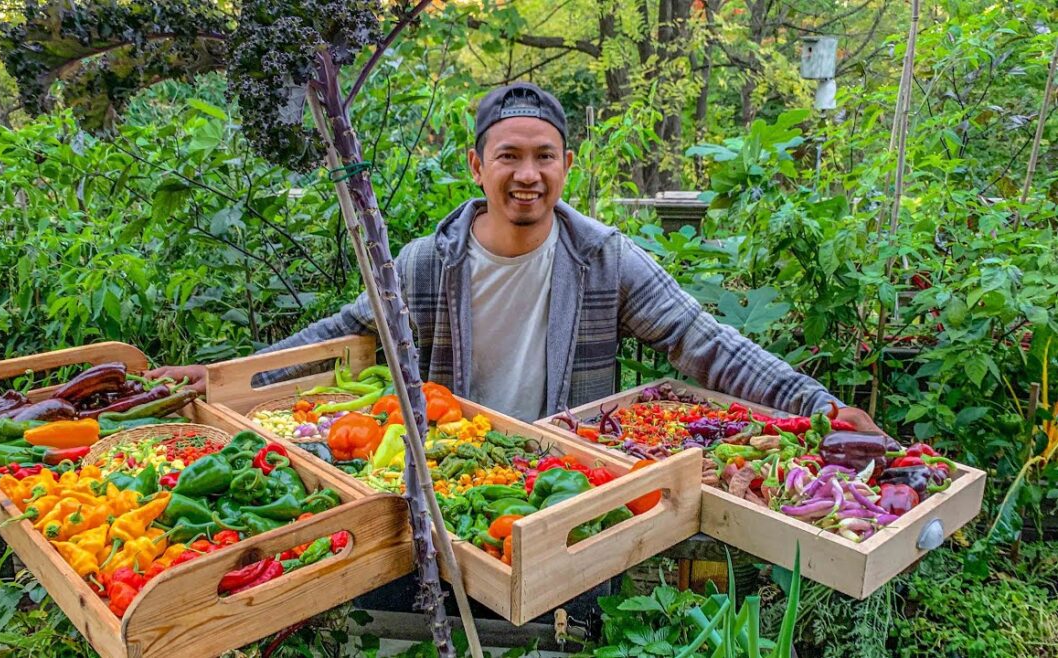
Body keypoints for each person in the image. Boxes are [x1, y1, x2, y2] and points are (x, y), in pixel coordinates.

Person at [149, 82, 880, 432]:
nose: (527, 174)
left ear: (566, 166)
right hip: (454, 470)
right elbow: (340, 336)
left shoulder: (604, 260)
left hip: (566, 471)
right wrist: (223, 378)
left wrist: (819, 406)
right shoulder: (425, 266)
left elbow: (704, 341)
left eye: (543, 156)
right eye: (508, 156)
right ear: (477, 166)